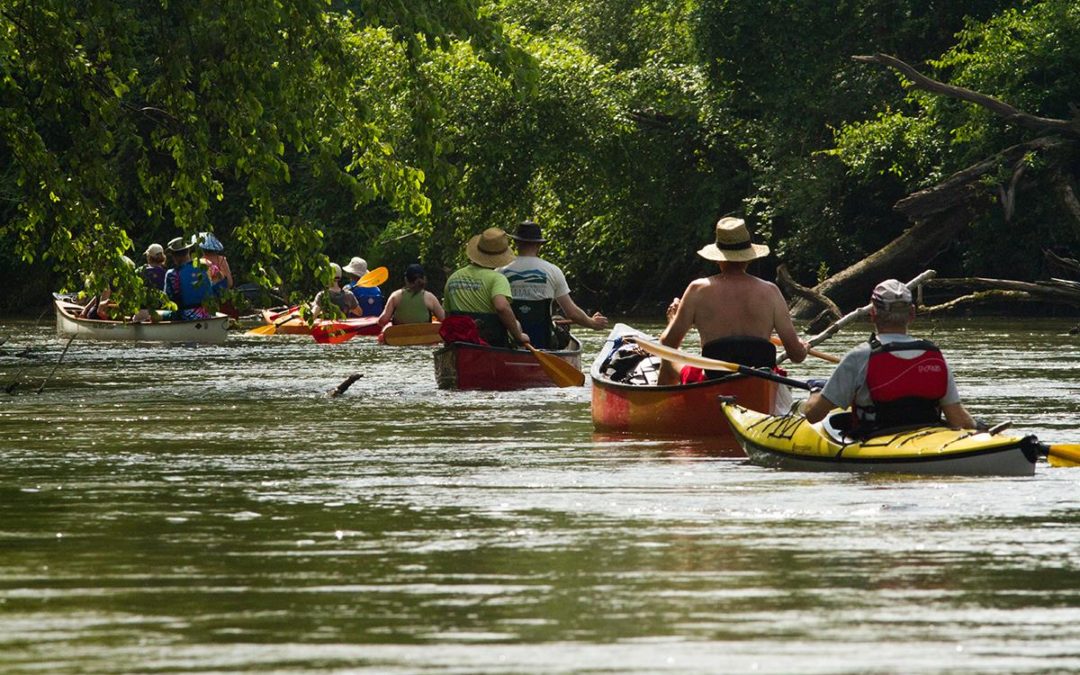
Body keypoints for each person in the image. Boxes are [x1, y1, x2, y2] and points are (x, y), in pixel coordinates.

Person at [799, 279, 977, 433]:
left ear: (873, 314)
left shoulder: (860, 356)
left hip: (874, 438)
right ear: (912, 314)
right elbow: (958, 420)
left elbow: (814, 415)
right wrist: (979, 428)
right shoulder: (934, 355)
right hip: (929, 437)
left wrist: (816, 392)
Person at [658, 217, 808, 385]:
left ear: (717, 257)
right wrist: (803, 347)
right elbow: (797, 356)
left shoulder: (697, 290)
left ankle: (661, 408)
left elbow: (667, 344)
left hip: (712, 381)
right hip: (758, 383)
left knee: (668, 358)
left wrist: (672, 321)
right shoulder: (771, 291)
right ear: (749, 257)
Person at [497, 220, 608, 348]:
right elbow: (572, 313)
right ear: (539, 245)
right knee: (559, 320)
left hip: (509, 343)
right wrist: (592, 323)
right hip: (543, 342)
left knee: (556, 319)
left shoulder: (500, 271)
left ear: (516, 243)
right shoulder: (553, 271)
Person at [443, 227, 530, 348]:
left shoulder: (453, 278)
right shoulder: (497, 279)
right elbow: (501, 307)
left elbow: (447, 317)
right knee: (517, 324)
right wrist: (519, 336)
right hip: (490, 343)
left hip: (458, 344)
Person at [164, 236, 226, 320]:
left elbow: (168, 300)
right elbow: (223, 281)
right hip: (208, 314)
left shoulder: (172, 274)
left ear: (173, 255)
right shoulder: (206, 265)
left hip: (185, 316)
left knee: (162, 314)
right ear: (188, 250)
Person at [377, 263, 446, 327]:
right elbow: (444, 319)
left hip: (400, 337)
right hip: (423, 337)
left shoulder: (395, 296)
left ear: (406, 279)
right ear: (424, 278)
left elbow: (382, 321)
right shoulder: (430, 297)